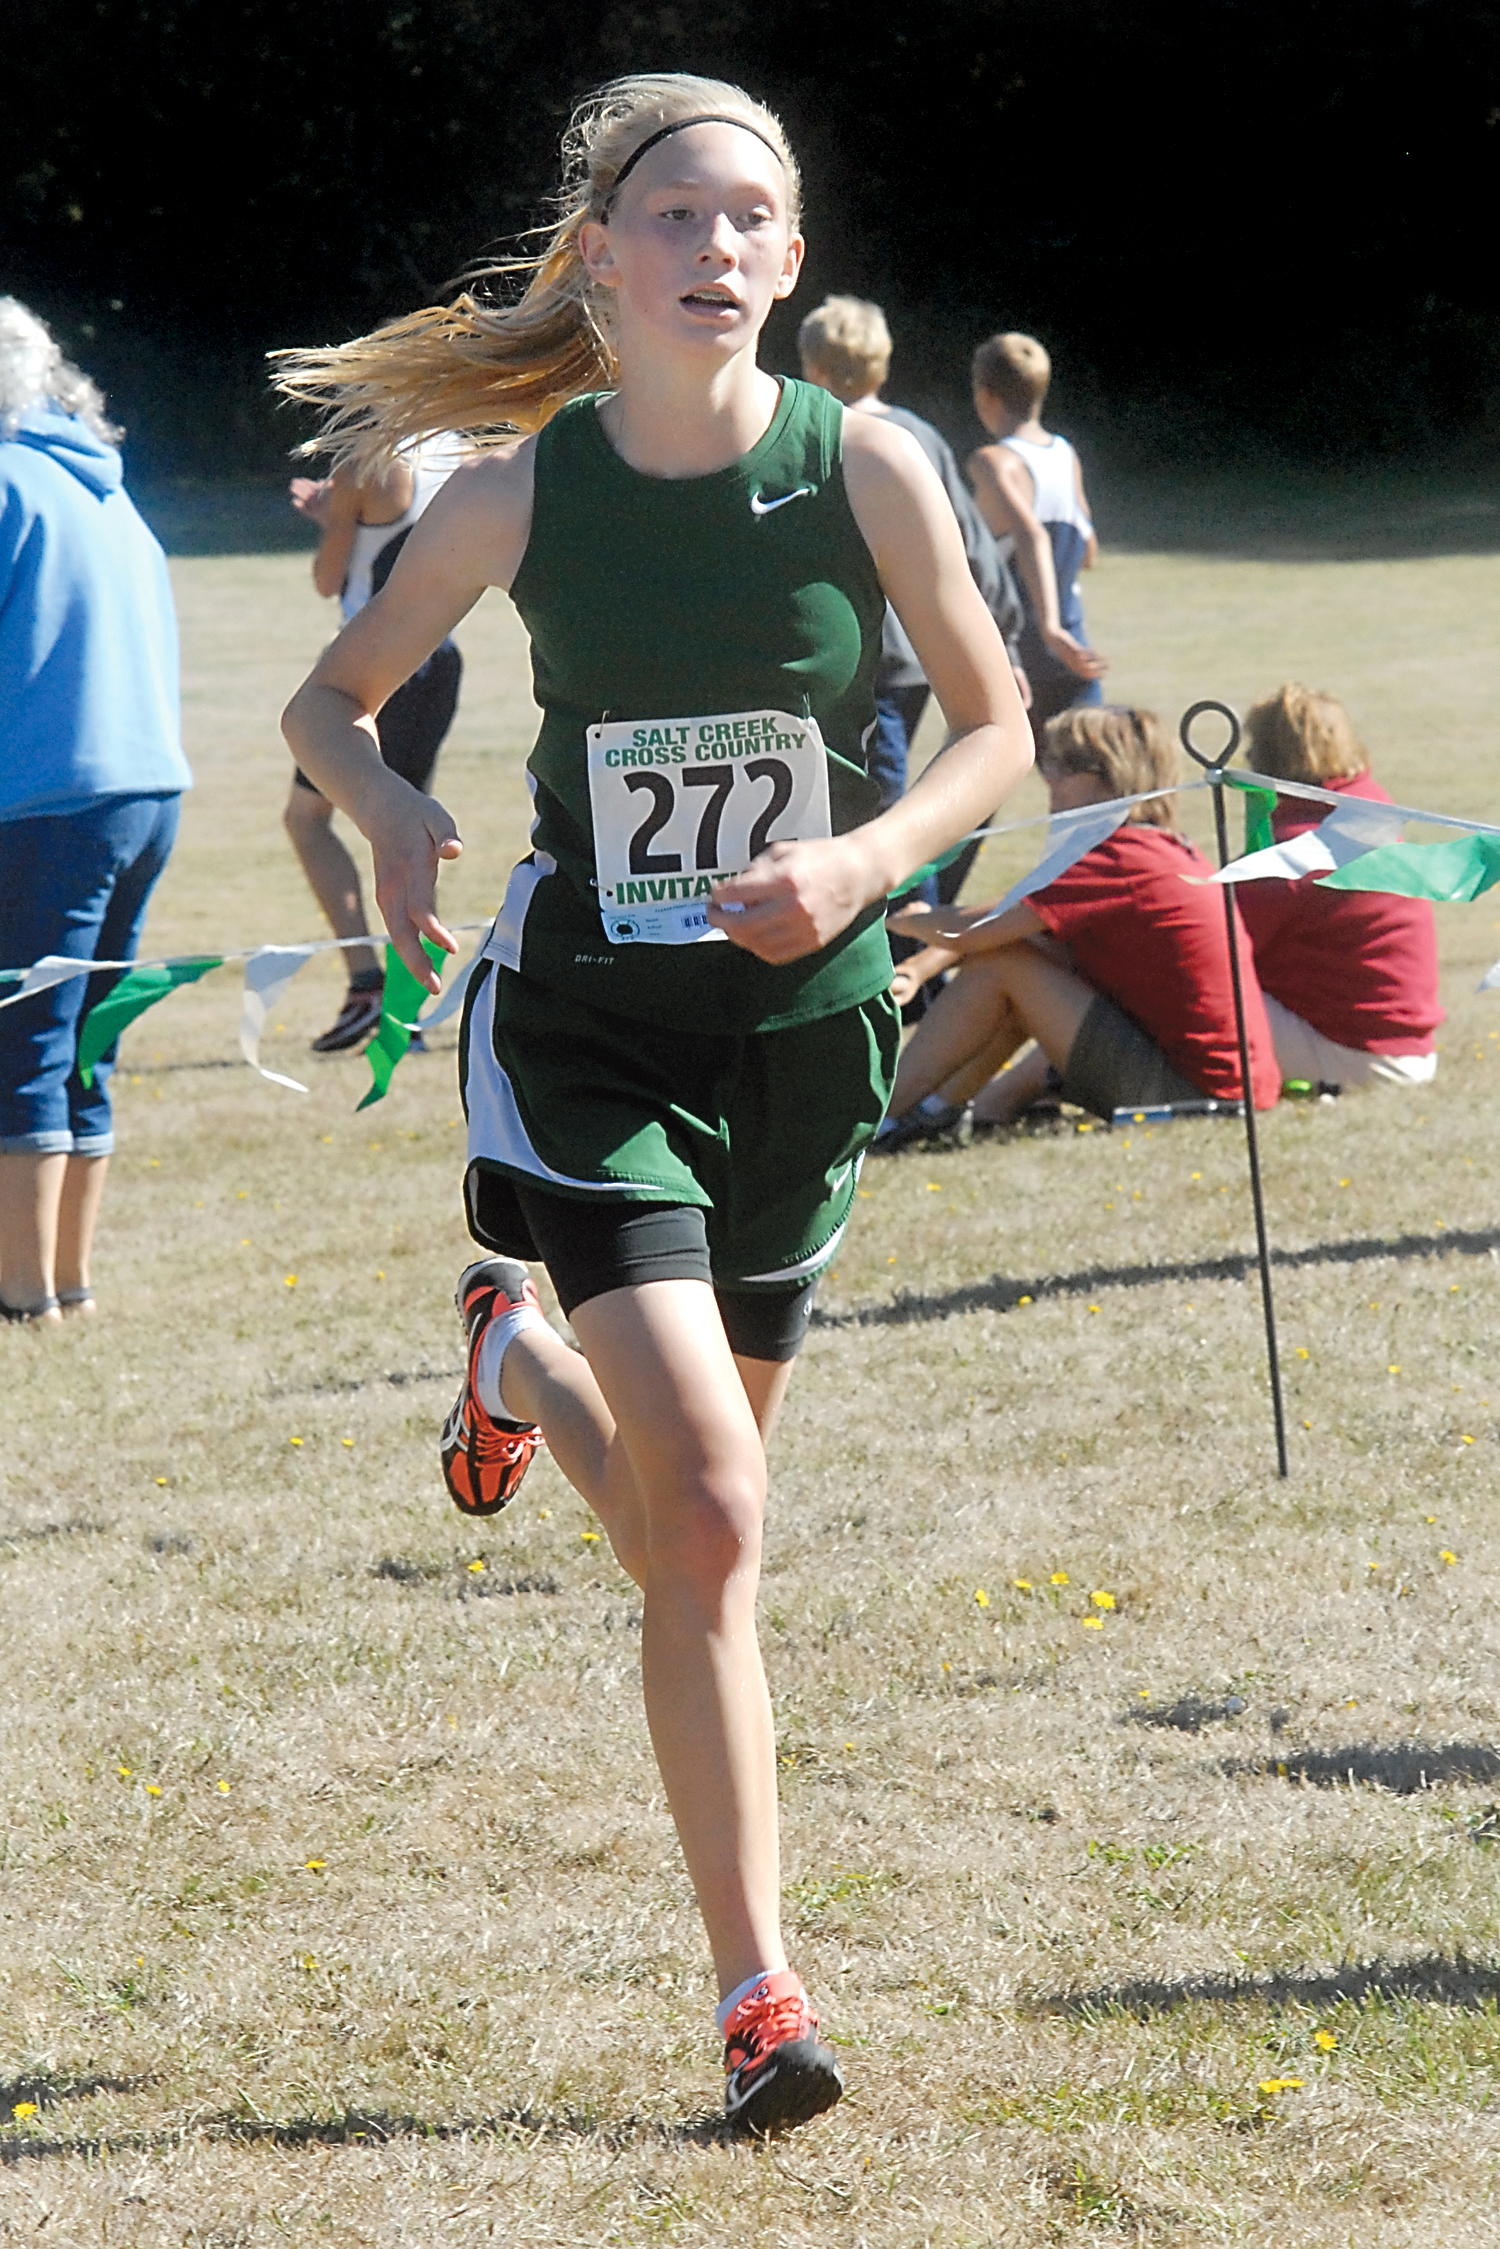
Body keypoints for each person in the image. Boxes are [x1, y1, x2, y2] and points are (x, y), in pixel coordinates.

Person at [274, 72, 1031, 2135]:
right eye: (673, 218)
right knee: (708, 1502)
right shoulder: (520, 495)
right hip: (593, 1030)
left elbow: (994, 724)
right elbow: (320, 703)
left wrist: (870, 865)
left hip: (811, 1035)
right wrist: (393, 794)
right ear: (601, 258)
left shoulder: (867, 461)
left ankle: (513, 1355)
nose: (714, 251)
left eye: (750, 221)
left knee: (701, 1532)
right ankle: (760, 1989)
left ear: (796, 261)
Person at [0, 298, 190, 1324]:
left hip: (40, 797)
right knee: (84, 1041)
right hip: (145, 789)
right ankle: (64, 1278)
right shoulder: (108, 491)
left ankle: (21, 1296)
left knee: (24, 1040)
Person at [877, 704, 1280, 1146]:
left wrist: (900, 918)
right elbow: (1016, 920)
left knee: (1007, 966)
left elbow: (979, 929)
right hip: (1219, 1089)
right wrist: (921, 968)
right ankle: (928, 1111)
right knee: (1020, 959)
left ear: (1110, 780)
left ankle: (881, 1118)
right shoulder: (1149, 848)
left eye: (1064, 766)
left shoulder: (1118, 858)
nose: (1048, 777)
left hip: (1198, 1098)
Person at [795, 296, 1027, 854]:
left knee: (872, 800)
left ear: (816, 368)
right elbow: (977, 553)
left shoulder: (811, 441)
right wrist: (1009, 646)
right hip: (914, 661)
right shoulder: (917, 437)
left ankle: (894, 917)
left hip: (865, 662)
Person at [285, 441, 465, 1052]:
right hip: (438, 661)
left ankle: (367, 984)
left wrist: (337, 514)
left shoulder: (363, 467)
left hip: (375, 668)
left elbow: (327, 580)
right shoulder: (458, 452)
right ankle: (406, 1013)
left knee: (306, 820)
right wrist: (339, 516)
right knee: (412, 836)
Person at [1236, 682, 1442, 1090]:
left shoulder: (1300, 848)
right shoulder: (1365, 802)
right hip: (1404, 1048)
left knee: (1189, 989)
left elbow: (1222, 943)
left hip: (1361, 1056)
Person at [968, 331, 1107, 748]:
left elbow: (1030, 535)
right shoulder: (1065, 454)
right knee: (1091, 784)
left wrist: (1046, 627)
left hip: (1023, 651)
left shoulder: (993, 462)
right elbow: (1088, 551)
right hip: (1074, 647)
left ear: (986, 396)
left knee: (980, 781)